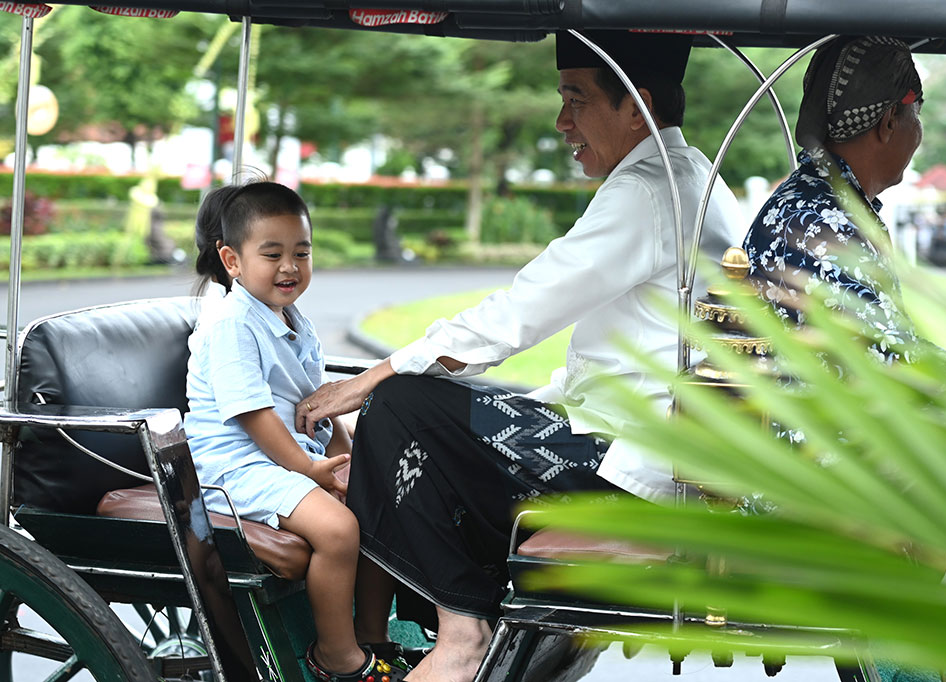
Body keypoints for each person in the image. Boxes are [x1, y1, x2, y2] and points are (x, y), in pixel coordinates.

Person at [296, 30, 744, 682]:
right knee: (425, 418)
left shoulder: (649, 191)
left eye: (576, 100)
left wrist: (373, 376)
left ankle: (459, 631)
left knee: (402, 406)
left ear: (637, 106)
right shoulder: (692, 174)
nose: (563, 122)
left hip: (628, 460)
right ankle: (434, 624)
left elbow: (520, 312)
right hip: (650, 441)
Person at [184, 182, 406, 682]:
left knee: (379, 503)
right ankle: (336, 657)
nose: (290, 266)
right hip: (236, 468)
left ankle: (373, 636)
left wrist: (347, 459)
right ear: (232, 260)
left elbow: (312, 405)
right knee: (338, 528)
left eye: (301, 253)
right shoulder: (231, 324)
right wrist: (309, 469)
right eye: (273, 254)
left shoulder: (294, 320)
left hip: (283, 460)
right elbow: (254, 415)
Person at [743, 36, 925, 363]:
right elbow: (890, 367)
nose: (919, 129)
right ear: (889, 122)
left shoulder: (820, 204)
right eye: (917, 112)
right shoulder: (824, 225)